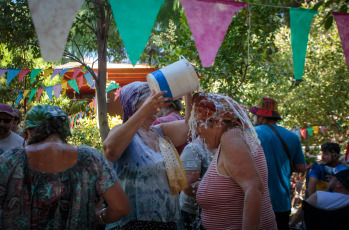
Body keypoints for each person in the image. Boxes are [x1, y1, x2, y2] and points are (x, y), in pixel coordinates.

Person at [0, 104, 130, 229]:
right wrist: (99, 218)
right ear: (65, 130)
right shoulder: (90, 158)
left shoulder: (11, 159)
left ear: (30, 131)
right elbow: (121, 208)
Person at [103, 81, 191, 229]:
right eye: (150, 95)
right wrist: (144, 111)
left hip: (167, 222)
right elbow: (110, 151)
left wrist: (188, 90)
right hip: (132, 224)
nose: (155, 98)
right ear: (135, 103)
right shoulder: (122, 132)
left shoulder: (159, 132)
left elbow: (190, 126)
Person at [192, 93, 277, 229]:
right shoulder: (238, 136)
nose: (197, 131)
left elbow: (254, 188)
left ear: (217, 122)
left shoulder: (230, 138)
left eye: (198, 124)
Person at [250, 97, 306, 230]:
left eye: (254, 116)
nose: (253, 119)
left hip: (256, 201)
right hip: (282, 203)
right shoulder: (293, 137)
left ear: (261, 117)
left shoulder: (251, 134)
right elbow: (301, 168)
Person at [180, 137, 215, 229]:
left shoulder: (224, 146)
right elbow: (187, 187)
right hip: (192, 215)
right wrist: (221, 183)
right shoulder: (193, 149)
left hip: (214, 213)